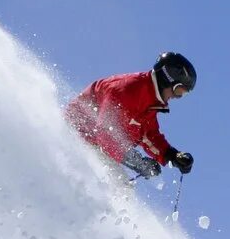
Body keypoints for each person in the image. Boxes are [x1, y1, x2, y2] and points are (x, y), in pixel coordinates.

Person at [66, 52, 196, 179]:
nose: (176, 97)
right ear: (167, 79)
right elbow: (105, 132)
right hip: (76, 137)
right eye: (179, 91)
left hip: (94, 144)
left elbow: (149, 134)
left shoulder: (149, 99)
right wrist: (138, 162)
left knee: (120, 188)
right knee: (116, 187)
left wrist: (172, 155)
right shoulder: (127, 90)